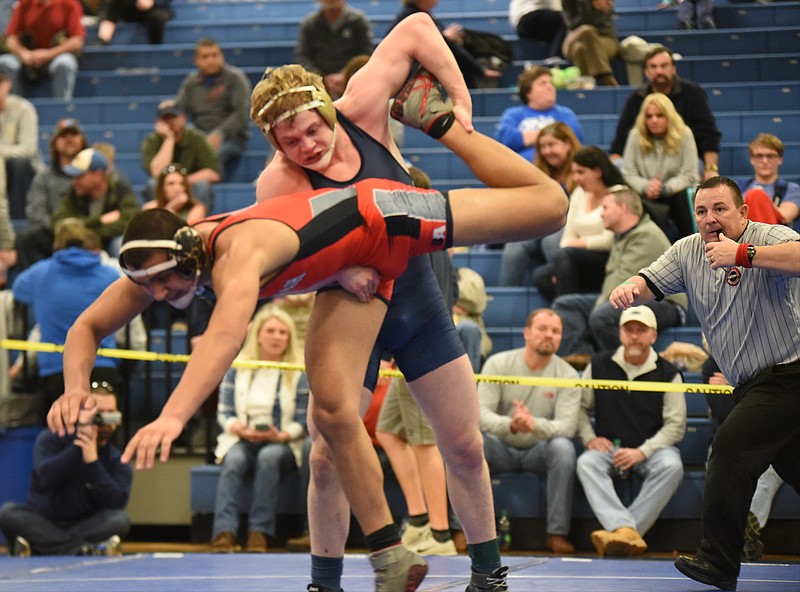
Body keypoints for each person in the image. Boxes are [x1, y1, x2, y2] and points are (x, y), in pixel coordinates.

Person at [48, 81, 567, 592]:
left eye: (165, 282)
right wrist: (75, 388)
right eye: (149, 286)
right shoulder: (166, 262)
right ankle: (374, 560)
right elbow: (86, 328)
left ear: (189, 258)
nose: (159, 294)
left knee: (549, 205)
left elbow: (226, 339)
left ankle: (444, 125)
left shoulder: (237, 258)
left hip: (388, 218)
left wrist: (173, 417)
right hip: (357, 276)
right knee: (330, 419)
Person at [249, 12, 532, 590]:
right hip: (350, 316)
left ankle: (488, 573)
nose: (308, 145)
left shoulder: (363, 111)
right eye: (290, 141)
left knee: (463, 444)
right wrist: (338, 266)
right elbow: (277, 272)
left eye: (311, 129)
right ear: (274, 144)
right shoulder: (277, 185)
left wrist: (458, 95)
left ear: (326, 109)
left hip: (418, 300)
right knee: (326, 452)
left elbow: (417, 27)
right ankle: (324, 582)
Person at [608, 176, 799, 591]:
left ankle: (718, 561)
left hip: (791, 374)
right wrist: (630, 289)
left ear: (742, 213)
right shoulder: (688, 251)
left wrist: (745, 254)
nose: (710, 219)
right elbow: (650, 280)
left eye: (720, 209)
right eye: (701, 211)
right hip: (750, 384)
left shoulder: (769, 236)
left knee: (729, 447)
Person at [576, 305, 686, 557]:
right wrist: (589, 438)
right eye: (629, 330)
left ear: (653, 336)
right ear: (620, 334)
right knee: (586, 463)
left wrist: (643, 452)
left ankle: (622, 532)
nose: (635, 335)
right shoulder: (598, 365)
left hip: (651, 449)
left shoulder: (669, 373)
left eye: (641, 330)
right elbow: (579, 409)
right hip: (610, 448)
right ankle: (627, 530)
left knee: (672, 465)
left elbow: (676, 426)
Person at [478, 308, 581, 555]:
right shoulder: (498, 363)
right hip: (500, 444)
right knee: (469, 442)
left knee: (563, 448)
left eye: (555, 331)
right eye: (542, 329)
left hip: (539, 449)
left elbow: (567, 427)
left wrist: (534, 424)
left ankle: (557, 534)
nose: (549, 335)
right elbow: (480, 414)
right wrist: (510, 425)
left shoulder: (567, 374)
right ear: (526, 333)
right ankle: (466, 531)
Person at [211, 304, 309, 554]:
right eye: (271, 331)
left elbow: (302, 417)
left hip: (282, 443)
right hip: (243, 438)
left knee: (269, 457)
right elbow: (224, 412)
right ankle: (224, 532)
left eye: (282, 332)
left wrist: (283, 435)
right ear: (258, 335)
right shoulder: (238, 367)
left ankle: (259, 532)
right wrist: (239, 428)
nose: (277, 337)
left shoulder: (299, 370)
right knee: (233, 460)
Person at [552, 185, 687, 363]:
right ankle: (583, 357)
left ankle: (621, 366)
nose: (601, 214)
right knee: (566, 305)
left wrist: (597, 308)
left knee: (601, 316)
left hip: (667, 304)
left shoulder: (645, 235)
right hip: (635, 298)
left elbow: (621, 282)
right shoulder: (621, 235)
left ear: (623, 208)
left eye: (606, 208)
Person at [0, 383, 131, 556]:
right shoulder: (50, 438)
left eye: (111, 413)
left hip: (86, 524)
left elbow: (115, 503)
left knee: (119, 520)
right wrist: (78, 447)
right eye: (99, 414)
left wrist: (92, 461)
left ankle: (42, 546)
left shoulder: (117, 458)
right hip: (44, 520)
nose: (105, 420)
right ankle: (81, 549)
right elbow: (46, 476)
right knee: (8, 512)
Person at [11, 217, 124, 404]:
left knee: (61, 430)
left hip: (57, 372)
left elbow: (19, 290)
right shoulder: (110, 275)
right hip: (104, 367)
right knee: (103, 428)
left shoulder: (40, 272)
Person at [702, 355, 786, 563]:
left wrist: (735, 390)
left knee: (769, 474)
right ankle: (745, 532)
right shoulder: (713, 365)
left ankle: (740, 534)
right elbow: (724, 413)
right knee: (721, 468)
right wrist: (755, 393)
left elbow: (780, 411)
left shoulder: (777, 360)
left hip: (773, 439)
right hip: (729, 440)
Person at [609, 46, 722, 179]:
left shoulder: (693, 94)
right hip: (644, 166)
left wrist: (711, 169)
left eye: (664, 66)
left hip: (684, 163)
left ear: (673, 68)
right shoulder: (636, 99)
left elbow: (708, 135)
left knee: (697, 167)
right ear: (646, 71)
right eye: (653, 67)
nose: (659, 71)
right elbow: (621, 140)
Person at [533, 146, 621, 301]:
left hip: (609, 260)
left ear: (598, 172)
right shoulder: (579, 193)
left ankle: (566, 313)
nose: (575, 178)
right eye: (573, 172)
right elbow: (568, 234)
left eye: (581, 172)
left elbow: (608, 242)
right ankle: (574, 306)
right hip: (576, 258)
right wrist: (569, 250)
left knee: (565, 256)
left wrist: (576, 244)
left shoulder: (619, 193)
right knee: (541, 276)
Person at [499, 121, 581, 287]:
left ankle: (562, 284)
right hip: (543, 224)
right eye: (542, 147)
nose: (546, 151)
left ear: (568, 144)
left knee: (550, 240)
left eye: (552, 145)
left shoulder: (583, 168)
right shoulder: (537, 173)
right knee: (515, 245)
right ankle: (506, 295)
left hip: (572, 224)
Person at [621, 92, 700, 241]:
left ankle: (691, 244)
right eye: (649, 116)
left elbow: (690, 175)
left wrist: (665, 188)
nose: (654, 120)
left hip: (675, 193)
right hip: (645, 194)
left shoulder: (685, 134)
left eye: (660, 115)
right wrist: (646, 187)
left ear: (669, 117)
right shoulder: (635, 135)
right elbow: (628, 174)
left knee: (683, 197)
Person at [14, 118, 88, 271]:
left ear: (82, 140)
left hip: (89, 230)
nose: (69, 139)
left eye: (73, 135)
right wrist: (62, 229)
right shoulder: (44, 177)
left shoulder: (94, 172)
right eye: (63, 136)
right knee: (27, 238)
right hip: (53, 233)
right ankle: (34, 288)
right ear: (54, 143)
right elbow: (35, 212)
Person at [175, 39, 251, 181]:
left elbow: (240, 114)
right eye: (205, 57)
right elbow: (180, 108)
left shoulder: (236, 79)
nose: (211, 60)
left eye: (215, 55)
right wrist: (170, 107)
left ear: (222, 56)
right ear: (196, 60)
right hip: (200, 135)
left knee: (209, 154)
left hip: (231, 137)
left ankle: (205, 186)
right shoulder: (191, 82)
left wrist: (219, 133)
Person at [390, 0, 502, 89]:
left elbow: (452, 47)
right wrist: (445, 37)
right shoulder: (410, 17)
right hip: (407, 76)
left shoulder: (424, 15)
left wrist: (479, 70)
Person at [52, 148, 140, 257]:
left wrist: (92, 233)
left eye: (80, 176)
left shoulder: (120, 190)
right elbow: (62, 223)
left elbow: (129, 223)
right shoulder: (72, 193)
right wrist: (99, 220)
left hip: (108, 242)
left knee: (119, 243)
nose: (74, 181)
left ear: (98, 175)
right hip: (79, 244)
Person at [140, 99, 220, 210]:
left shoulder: (197, 138)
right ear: (158, 122)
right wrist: (169, 139)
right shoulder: (151, 142)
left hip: (191, 186)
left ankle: (198, 222)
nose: (170, 122)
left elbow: (212, 173)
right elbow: (157, 173)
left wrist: (181, 183)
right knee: (153, 184)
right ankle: (160, 222)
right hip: (165, 188)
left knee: (202, 186)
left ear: (183, 118)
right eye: (165, 118)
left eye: (174, 117)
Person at [494, 65, 584, 162]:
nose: (550, 87)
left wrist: (525, 138)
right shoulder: (513, 114)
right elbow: (506, 139)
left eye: (551, 83)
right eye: (542, 83)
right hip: (520, 170)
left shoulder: (565, 113)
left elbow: (572, 136)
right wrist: (554, 138)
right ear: (528, 93)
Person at [0, 0, 84, 101]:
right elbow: (11, 38)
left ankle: (62, 108)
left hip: (56, 55)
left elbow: (77, 41)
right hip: (28, 56)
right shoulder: (24, 3)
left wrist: (49, 54)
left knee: (65, 63)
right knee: (6, 62)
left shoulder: (69, 3)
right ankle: (17, 107)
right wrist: (24, 54)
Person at [295, 0, 374, 99]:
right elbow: (303, 56)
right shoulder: (310, 23)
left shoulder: (358, 21)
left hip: (354, 84)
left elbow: (365, 54)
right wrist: (321, 79)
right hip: (318, 87)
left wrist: (345, 76)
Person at [0, 70, 40, 220]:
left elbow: (28, 149)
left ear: (7, 84)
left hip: (21, 168)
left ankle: (19, 220)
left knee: (19, 164)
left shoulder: (23, 108)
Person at [739, 133, 800, 228]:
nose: (764, 161)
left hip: (777, 239)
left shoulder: (791, 189)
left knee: (755, 195)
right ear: (752, 159)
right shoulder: (739, 188)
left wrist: (757, 199)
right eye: (759, 156)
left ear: (780, 159)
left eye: (770, 156)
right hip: (744, 237)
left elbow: (786, 216)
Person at [560, 0, 620, 86]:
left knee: (579, 49)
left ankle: (587, 85)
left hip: (605, 39)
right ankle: (605, 75)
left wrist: (598, 10)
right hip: (577, 36)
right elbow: (571, 24)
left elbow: (605, 26)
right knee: (587, 31)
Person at [142, 164, 207, 224]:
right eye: (171, 184)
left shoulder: (197, 208)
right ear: (161, 188)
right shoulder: (149, 209)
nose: (177, 188)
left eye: (182, 184)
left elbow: (186, 232)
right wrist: (172, 207)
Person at [97, 0, 173, 45]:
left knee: (157, 17)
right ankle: (102, 40)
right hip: (131, 11)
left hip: (156, 11)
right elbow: (112, 9)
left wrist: (152, 2)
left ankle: (155, 48)